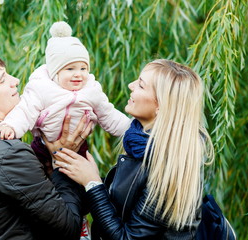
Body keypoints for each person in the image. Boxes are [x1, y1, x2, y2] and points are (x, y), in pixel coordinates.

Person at [0, 49, 93, 240]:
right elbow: (68, 227)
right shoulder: (9, 154)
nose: (16, 81)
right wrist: (63, 160)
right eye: (2, 79)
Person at [52, 59, 214, 239]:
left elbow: (127, 237)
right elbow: (121, 205)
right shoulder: (141, 143)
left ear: (161, 105)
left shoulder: (170, 167)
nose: (130, 85)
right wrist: (67, 162)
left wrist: (92, 183)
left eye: (141, 85)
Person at [0, 21, 130, 158]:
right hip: (43, 145)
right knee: (35, 170)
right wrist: (10, 126)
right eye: (70, 69)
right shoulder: (42, 88)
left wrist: (131, 129)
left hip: (79, 145)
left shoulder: (92, 90)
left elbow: (108, 114)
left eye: (83, 68)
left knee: (76, 174)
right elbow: (25, 110)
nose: (78, 74)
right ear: (55, 73)